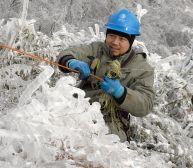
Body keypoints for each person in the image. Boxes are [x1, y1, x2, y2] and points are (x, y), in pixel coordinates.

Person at [57, 9, 155, 141]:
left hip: (112, 123)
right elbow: (69, 53)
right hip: (80, 109)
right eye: (111, 36)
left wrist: (120, 92)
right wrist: (71, 62)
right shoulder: (97, 50)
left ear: (131, 41)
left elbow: (145, 105)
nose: (115, 42)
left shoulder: (142, 68)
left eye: (122, 39)